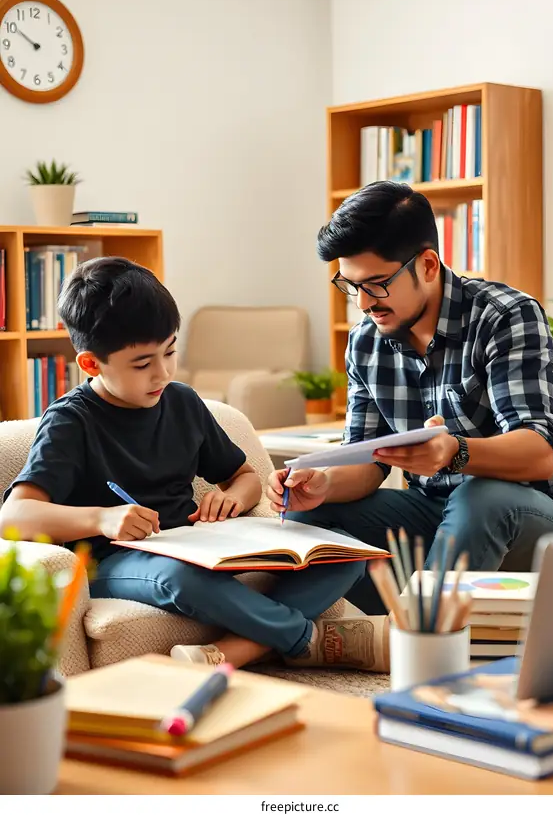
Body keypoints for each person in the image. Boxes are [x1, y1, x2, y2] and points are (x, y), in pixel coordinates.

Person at [0, 257, 390, 671]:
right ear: (92, 364)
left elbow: (244, 478)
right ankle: (307, 640)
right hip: (117, 561)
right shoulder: (70, 421)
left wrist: (234, 499)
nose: (163, 372)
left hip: (197, 548)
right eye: (143, 363)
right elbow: (15, 516)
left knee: (345, 551)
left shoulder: (182, 401)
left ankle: (238, 650)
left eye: (169, 352)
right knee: (180, 579)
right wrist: (102, 519)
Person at [267, 182, 553, 614]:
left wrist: (455, 452)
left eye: (377, 284)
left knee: (480, 497)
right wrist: (323, 484)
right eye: (350, 284)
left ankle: (418, 636)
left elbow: (540, 452)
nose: (363, 303)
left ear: (429, 265)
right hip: (433, 515)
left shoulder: (506, 316)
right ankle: (352, 627)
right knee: (311, 517)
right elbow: (368, 463)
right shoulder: (365, 342)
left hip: (530, 517)